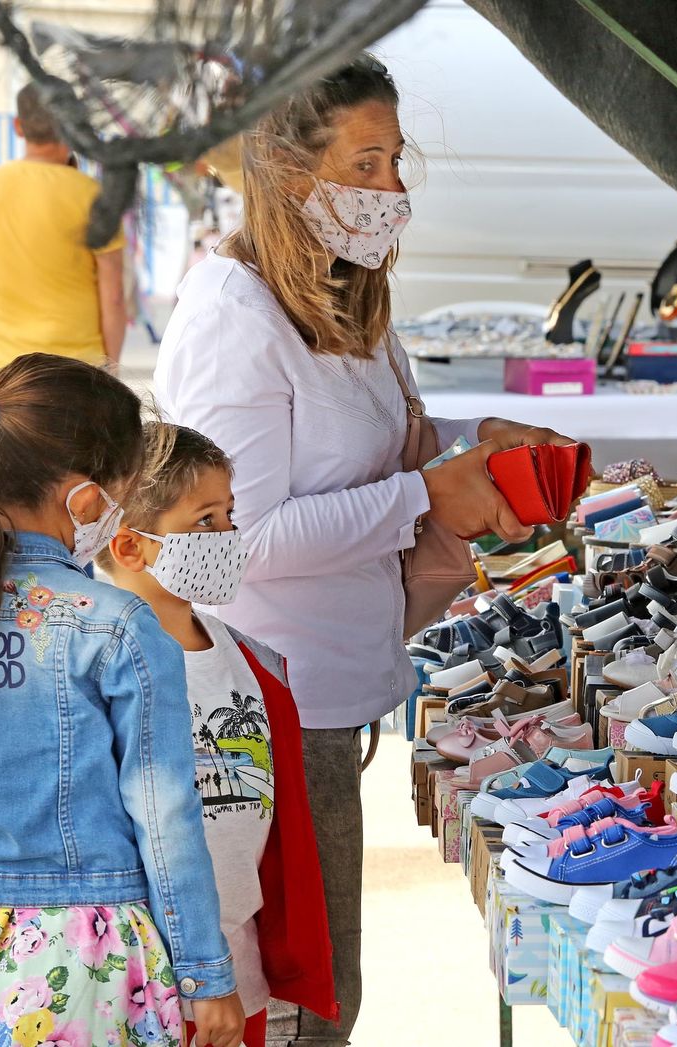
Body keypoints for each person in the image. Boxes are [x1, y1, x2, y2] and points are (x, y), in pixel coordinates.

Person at [154, 55, 577, 1045]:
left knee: (321, 994)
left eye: (396, 160)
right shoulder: (233, 319)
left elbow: (384, 446)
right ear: (289, 173)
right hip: (271, 710)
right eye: (366, 162)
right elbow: (234, 544)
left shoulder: (343, 298)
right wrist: (426, 492)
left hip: (330, 698)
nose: (392, 189)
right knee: (305, 1005)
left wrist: (477, 444)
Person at [0, 355, 245, 1047]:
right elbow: (165, 815)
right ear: (85, 501)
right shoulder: (117, 624)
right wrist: (205, 976)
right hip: (96, 964)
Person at [100, 424, 337, 1045]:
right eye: (205, 520)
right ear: (130, 547)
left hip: (237, 974)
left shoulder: (255, 664)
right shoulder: (97, 667)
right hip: (130, 981)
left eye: (230, 515)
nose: (228, 537)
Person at [0, 85, 127, 372]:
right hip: (80, 367)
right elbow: (114, 297)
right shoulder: (93, 195)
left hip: (11, 367)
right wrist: (109, 371)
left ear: (18, 126)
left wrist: (5, 348)